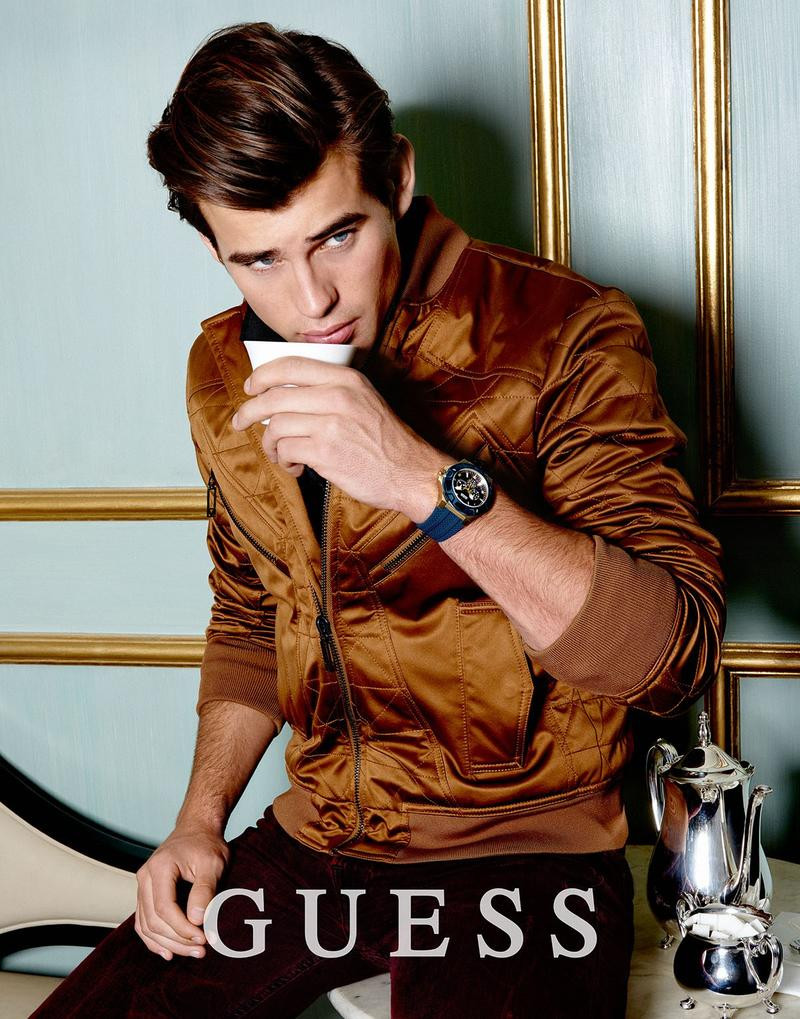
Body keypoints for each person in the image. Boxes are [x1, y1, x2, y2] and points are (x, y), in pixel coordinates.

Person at [32, 20, 725, 1019]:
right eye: (258, 259)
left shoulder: (567, 332)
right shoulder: (221, 372)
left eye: (337, 236)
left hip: (524, 855)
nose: (309, 298)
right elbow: (250, 611)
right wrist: (198, 820)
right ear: (212, 243)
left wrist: (421, 479)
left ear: (397, 179)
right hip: (316, 840)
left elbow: (670, 653)